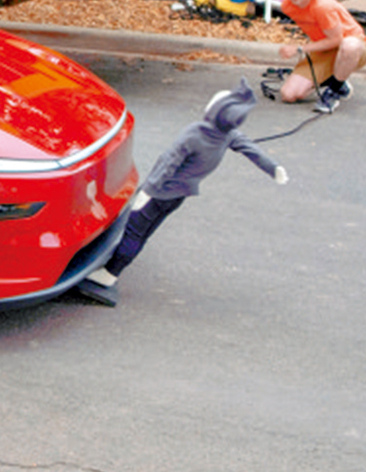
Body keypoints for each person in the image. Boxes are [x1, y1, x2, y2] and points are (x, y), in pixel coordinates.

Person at [78, 78, 287, 307]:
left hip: (159, 191)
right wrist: (274, 168)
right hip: (178, 196)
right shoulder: (227, 134)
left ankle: (109, 274)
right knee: (146, 231)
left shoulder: (195, 134)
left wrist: (147, 192)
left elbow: (169, 162)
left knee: (134, 230)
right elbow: (252, 151)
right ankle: (113, 268)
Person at [276, 0, 366, 113]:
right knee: (289, 95)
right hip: (325, 48)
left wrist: (299, 49)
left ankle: (333, 91)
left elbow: (337, 40)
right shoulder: (287, 6)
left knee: (349, 45)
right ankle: (337, 79)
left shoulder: (322, 6)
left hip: (353, 47)